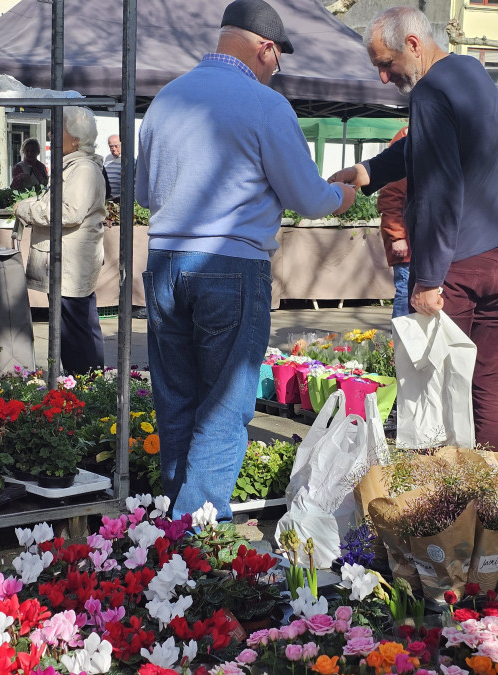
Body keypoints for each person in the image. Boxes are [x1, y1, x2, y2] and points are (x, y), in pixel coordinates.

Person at [134, 0, 356, 520]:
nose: (276, 69)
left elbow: (144, 192)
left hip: (166, 261)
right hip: (230, 264)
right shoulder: (265, 105)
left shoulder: (166, 99)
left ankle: (167, 530)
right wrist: (341, 195)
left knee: (176, 400)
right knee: (223, 409)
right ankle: (191, 543)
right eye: (277, 59)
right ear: (266, 48)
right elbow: (307, 196)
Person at [329, 6, 498, 454]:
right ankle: (496, 496)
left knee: (434, 383)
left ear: (413, 45)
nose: (382, 77)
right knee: (491, 377)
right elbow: (427, 147)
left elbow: (438, 190)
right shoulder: (471, 72)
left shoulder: (429, 92)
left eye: (386, 63)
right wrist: (367, 171)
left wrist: (429, 279)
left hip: (459, 260)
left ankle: (442, 502)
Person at [14, 107, 107, 375]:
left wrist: (25, 209)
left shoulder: (83, 170)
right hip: (67, 262)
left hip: (71, 263)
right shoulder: (74, 166)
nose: (54, 134)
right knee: (75, 328)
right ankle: (85, 387)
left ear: (76, 138)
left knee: (76, 332)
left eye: (60, 129)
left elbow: (68, 212)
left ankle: (86, 389)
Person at [376, 126, 410, 318]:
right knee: (406, 291)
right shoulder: (405, 146)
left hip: (420, 239)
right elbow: (390, 197)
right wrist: (397, 236)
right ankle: (400, 342)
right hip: (407, 240)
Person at [103, 135, 122, 201]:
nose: (114, 149)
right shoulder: (107, 158)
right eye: (111, 146)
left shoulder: (127, 160)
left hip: (120, 199)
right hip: (108, 198)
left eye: (116, 146)